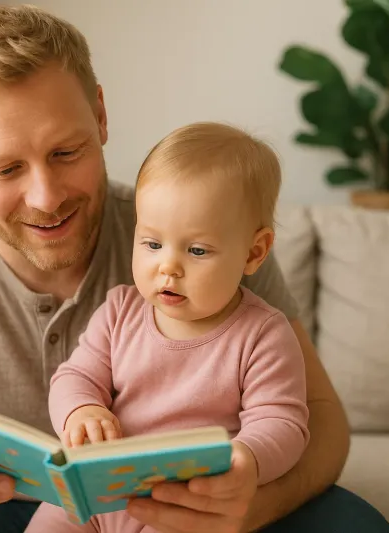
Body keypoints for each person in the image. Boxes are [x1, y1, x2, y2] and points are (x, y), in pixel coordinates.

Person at [0, 5, 389, 533]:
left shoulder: (200, 236)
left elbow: (319, 422)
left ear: (101, 116)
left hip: (175, 509)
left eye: (66, 152)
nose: (45, 197)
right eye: (7, 169)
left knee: (356, 525)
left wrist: (248, 507)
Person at [25, 122, 311, 533]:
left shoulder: (262, 333)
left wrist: (246, 457)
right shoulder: (120, 311)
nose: (168, 267)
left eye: (197, 250)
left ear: (254, 252)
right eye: (152, 243)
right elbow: (75, 375)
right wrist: (81, 410)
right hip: (95, 491)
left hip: (184, 503)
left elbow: (282, 421)